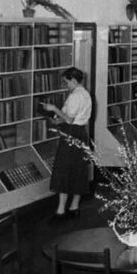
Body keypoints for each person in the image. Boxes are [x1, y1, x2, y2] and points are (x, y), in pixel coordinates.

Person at [40, 67, 92, 219]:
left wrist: (53, 108)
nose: (65, 85)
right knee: (78, 170)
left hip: (71, 133)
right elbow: (72, 117)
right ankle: (74, 206)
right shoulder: (85, 94)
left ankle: (61, 210)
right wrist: (58, 120)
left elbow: (69, 119)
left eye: (66, 82)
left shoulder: (76, 95)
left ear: (74, 80)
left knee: (63, 169)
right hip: (80, 133)